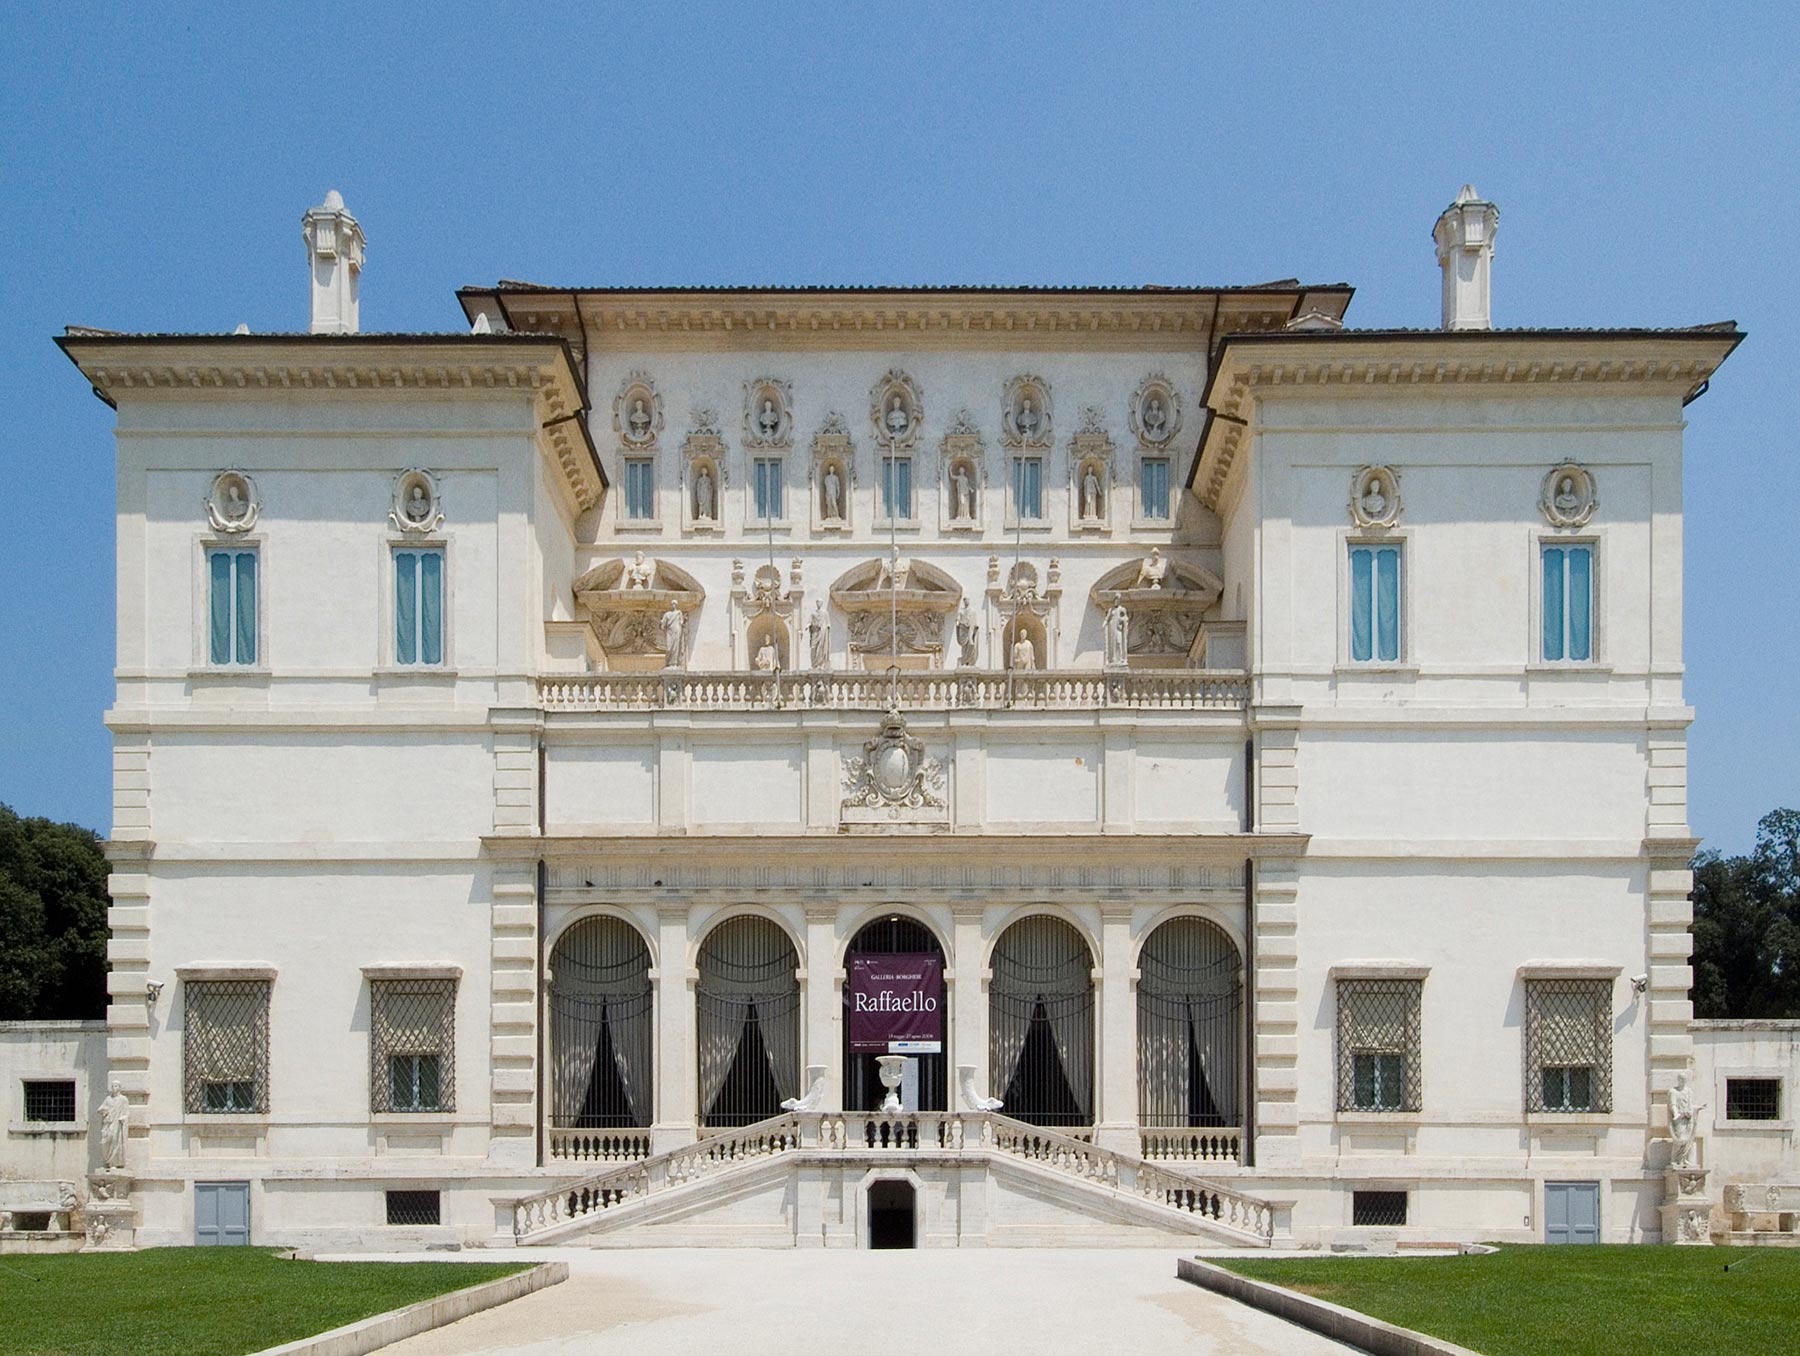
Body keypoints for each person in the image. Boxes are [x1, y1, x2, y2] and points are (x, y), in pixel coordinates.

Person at [99, 1080, 130, 1169]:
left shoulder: (123, 1099)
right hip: (108, 1123)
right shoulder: (108, 1099)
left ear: (119, 1088)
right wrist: (103, 1111)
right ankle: (107, 1161)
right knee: (105, 1141)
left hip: (118, 1124)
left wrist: (123, 1118)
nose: (114, 1088)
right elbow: (100, 1109)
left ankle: (114, 1163)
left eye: (116, 1086)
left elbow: (127, 1113)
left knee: (115, 1141)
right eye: (113, 1086)